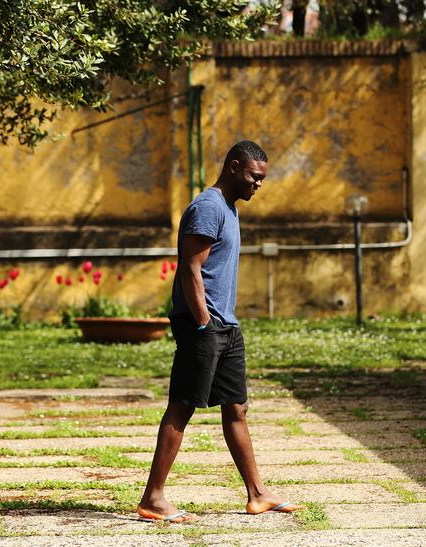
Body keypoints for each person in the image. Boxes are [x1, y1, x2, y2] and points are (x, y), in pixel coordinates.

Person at [137, 141, 304, 523]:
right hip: (204, 325)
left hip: (225, 323)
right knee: (182, 405)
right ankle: (153, 498)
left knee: (236, 407)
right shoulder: (208, 207)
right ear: (233, 167)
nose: (258, 184)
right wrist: (202, 323)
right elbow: (190, 268)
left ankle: (257, 494)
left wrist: (218, 323)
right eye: (254, 176)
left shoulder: (228, 207)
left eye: (262, 179)